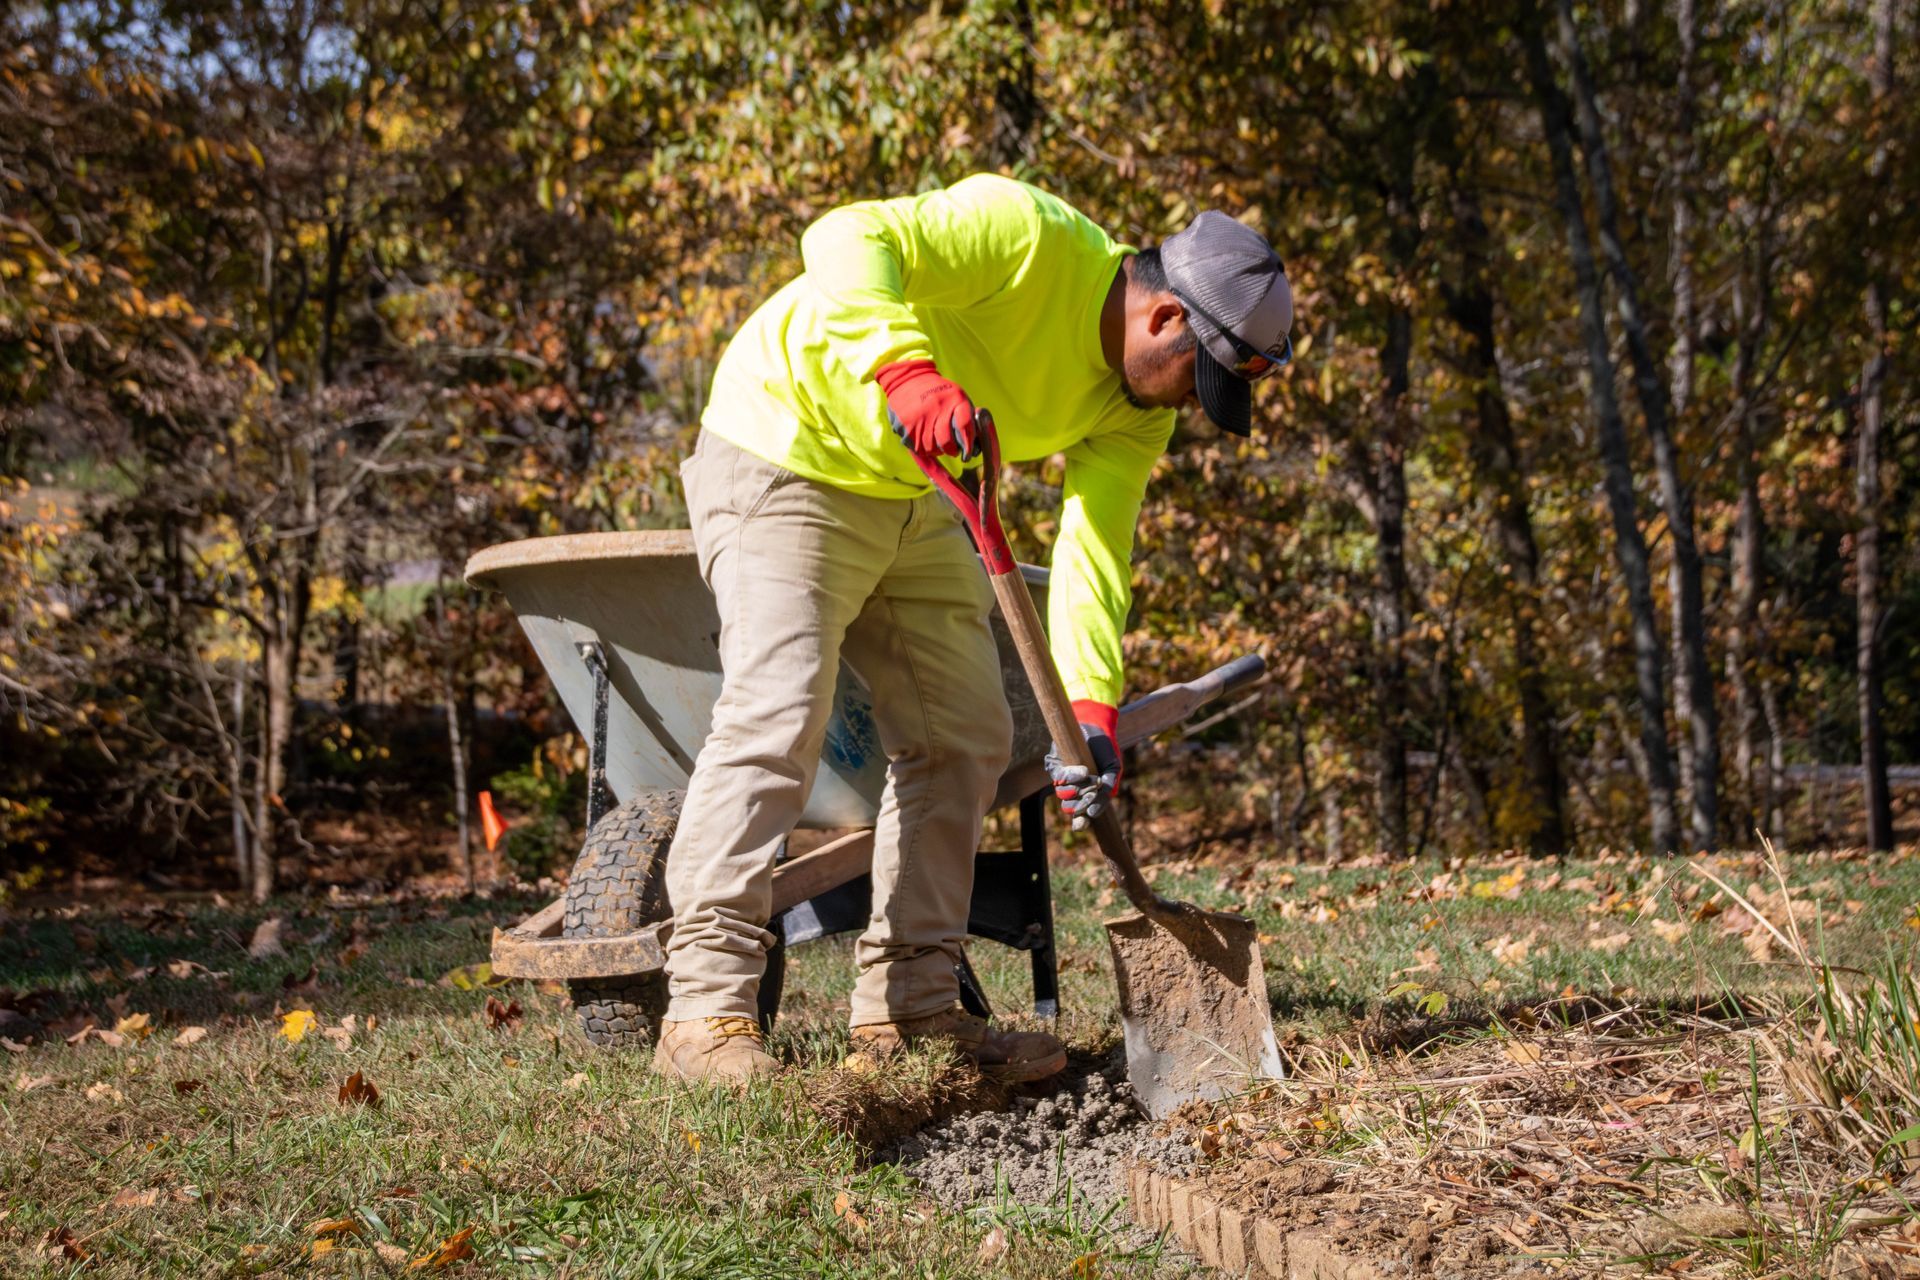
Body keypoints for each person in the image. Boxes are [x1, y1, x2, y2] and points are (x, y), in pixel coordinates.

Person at [652, 173, 1293, 1085]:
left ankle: (909, 1008)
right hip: (788, 446)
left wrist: (1092, 711)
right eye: (1205, 380)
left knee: (967, 734)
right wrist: (905, 371)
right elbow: (847, 233)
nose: (1197, 404)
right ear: (1165, 322)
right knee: (779, 710)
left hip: (914, 491)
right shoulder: (1028, 235)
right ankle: (705, 1014)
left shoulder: (1132, 411)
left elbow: (1093, 555)